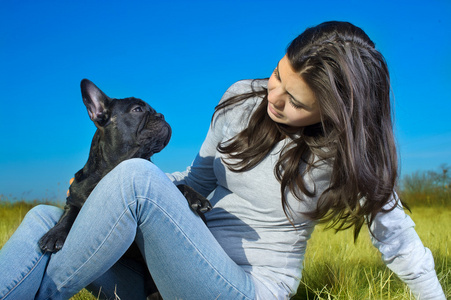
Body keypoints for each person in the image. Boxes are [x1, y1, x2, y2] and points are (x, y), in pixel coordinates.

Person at [0, 21, 445, 300]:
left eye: (293, 100)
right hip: (168, 272)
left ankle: (47, 293)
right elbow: (194, 181)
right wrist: (106, 197)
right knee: (45, 218)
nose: (274, 95)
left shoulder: (347, 155)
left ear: (332, 111)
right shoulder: (240, 99)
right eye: (277, 75)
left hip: (245, 287)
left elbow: (399, 242)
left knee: (134, 174)